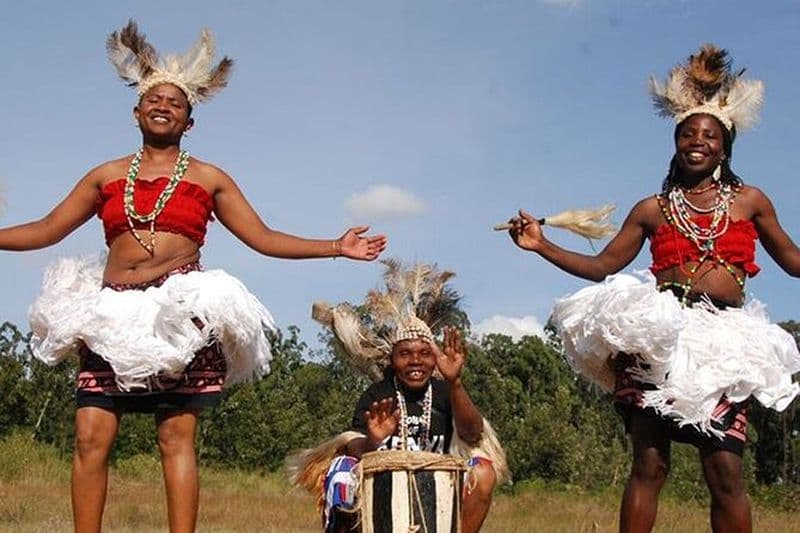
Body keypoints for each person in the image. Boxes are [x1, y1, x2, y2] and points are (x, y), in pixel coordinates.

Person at [0, 21, 386, 533]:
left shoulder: (209, 178)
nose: (163, 106)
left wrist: (335, 247)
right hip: (111, 315)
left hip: (179, 314)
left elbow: (263, 237)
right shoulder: (105, 175)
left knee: (174, 438)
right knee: (90, 435)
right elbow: (48, 228)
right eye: (153, 100)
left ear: (189, 120)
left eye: (175, 103)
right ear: (136, 111)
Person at [505, 45, 800, 533]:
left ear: (725, 147)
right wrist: (542, 245)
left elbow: (792, 262)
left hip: (726, 345)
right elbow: (603, 265)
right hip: (659, 336)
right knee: (649, 464)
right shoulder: (652, 209)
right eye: (687, 134)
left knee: (724, 470)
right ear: (676, 142)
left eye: (709, 135)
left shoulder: (751, 202)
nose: (697, 142)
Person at [288, 260, 509, 533]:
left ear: (435, 359)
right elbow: (351, 446)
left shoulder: (446, 393)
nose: (415, 361)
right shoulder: (379, 394)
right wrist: (373, 440)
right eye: (405, 354)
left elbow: (473, 434)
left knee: (483, 472)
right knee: (341, 473)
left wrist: (455, 382)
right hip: (384, 492)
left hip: (441, 492)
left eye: (424, 353)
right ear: (392, 360)